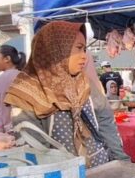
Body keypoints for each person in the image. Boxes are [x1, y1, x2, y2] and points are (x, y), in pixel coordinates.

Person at [6, 21, 116, 168]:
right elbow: (34, 150)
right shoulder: (27, 92)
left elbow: (105, 122)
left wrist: (122, 162)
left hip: (102, 171)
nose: (84, 56)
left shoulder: (84, 82)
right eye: (78, 48)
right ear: (55, 49)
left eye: (84, 49)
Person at [0, 45, 25, 133]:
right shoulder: (22, 74)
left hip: (11, 129)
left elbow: (1, 108)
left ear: (7, 59)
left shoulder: (5, 77)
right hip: (25, 126)